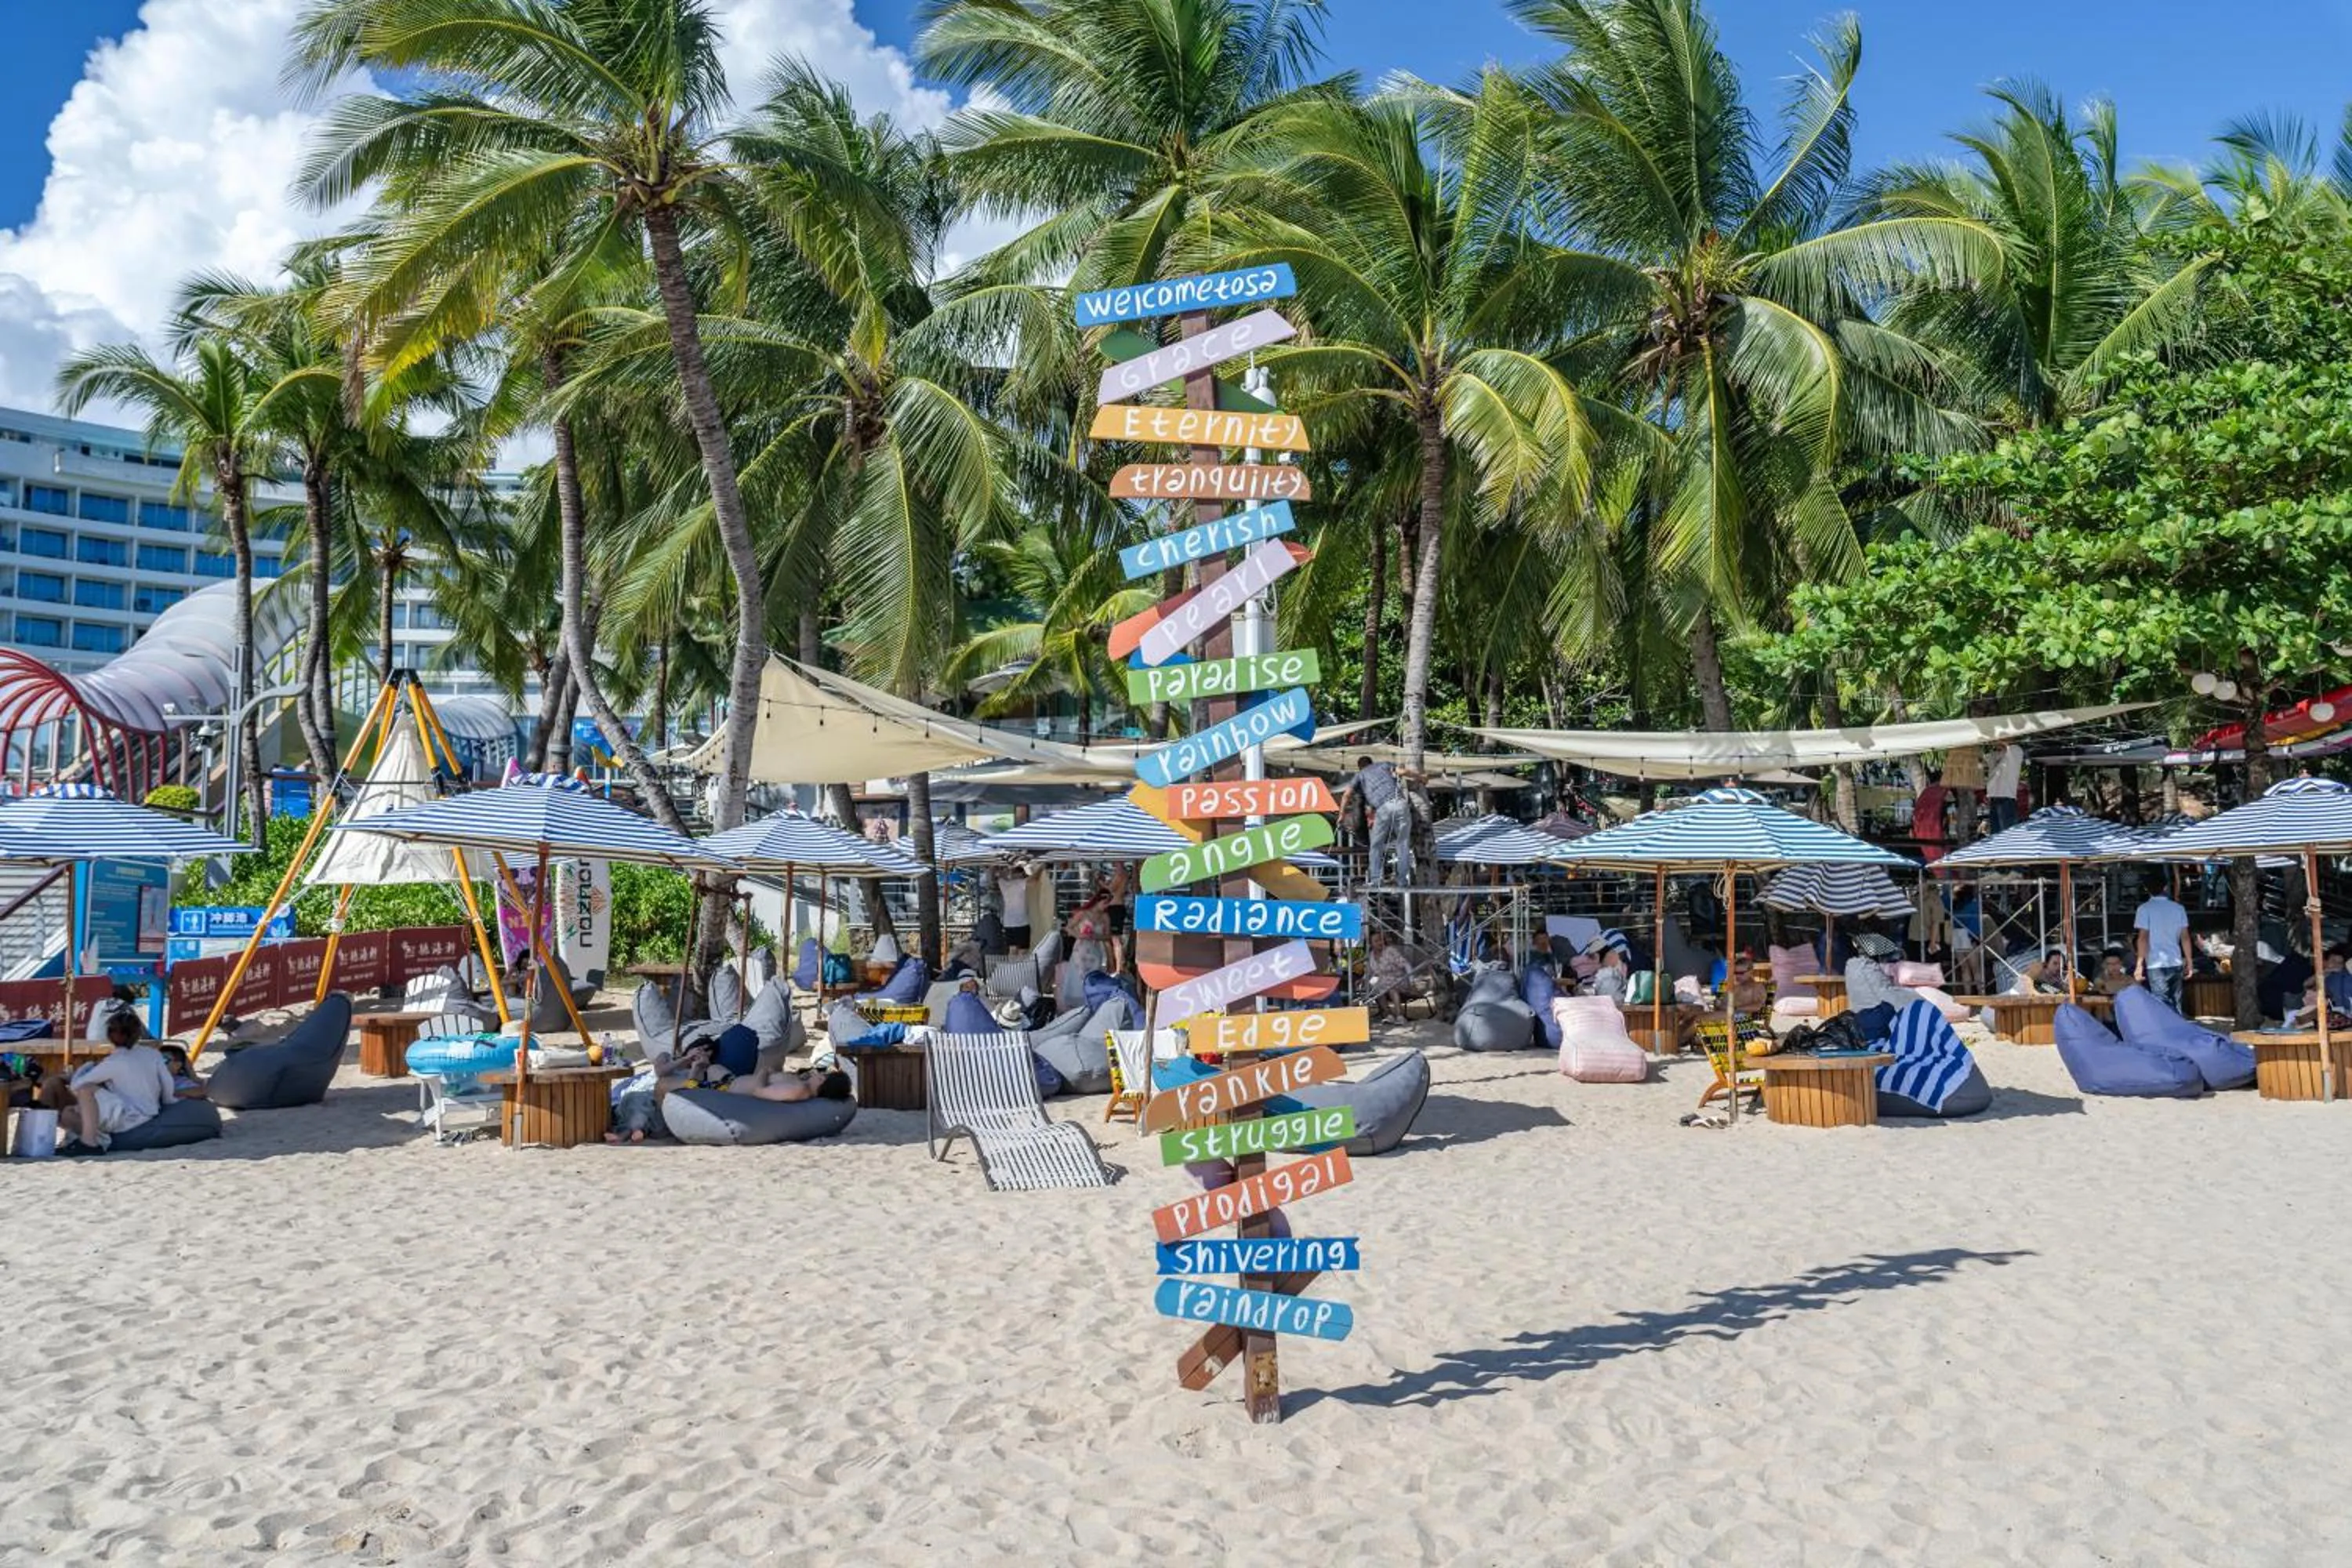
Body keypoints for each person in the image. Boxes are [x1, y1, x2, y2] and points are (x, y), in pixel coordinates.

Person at [51, 1012, 177, 1153]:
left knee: (85, 1090)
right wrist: (168, 1101)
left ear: (110, 1035)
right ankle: (97, 1139)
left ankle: (89, 1142)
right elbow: (167, 1083)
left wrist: (87, 1067)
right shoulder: (152, 1054)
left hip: (129, 1117)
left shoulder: (114, 1062)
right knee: (69, 1113)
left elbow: (77, 1086)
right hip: (150, 1111)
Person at [1340, 755, 1415, 888]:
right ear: (1372, 763)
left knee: (1376, 845)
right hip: (1401, 804)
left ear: (1360, 767)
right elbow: (1402, 771)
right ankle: (1402, 881)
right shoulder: (1384, 765)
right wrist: (1421, 777)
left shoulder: (1360, 775)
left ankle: (1376, 879)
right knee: (1403, 843)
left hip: (1383, 808)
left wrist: (1341, 815)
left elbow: (1346, 795)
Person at [2132, 887, 2194, 1010]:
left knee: (2161, 1004)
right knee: (2176, 1003)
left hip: (2155, 962)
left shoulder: (2144, 909)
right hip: (2175, 960)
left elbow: (2143, 938)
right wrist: (2189, 960)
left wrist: (2139, 964)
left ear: (2147, 889)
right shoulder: (2178, 908)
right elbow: (2185, 937)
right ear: (2165, 888)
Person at [729, 1065, 853, 1104]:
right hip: (732, 1083)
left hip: (727, 1090)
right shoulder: (801, 1084)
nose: (816, 1073)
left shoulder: (798, 1090)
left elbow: (758, 1091)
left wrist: (764, 1070)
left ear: (821, 1079)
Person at [1985, 744, 2024, 832]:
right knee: (1996, 833)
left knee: (2008, 832)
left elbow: (2008, 747)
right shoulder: (1994, 756)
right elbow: (1987, 757)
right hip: (1994, 799)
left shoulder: (2015, 750)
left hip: (2006, 798)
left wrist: (2002, 742)